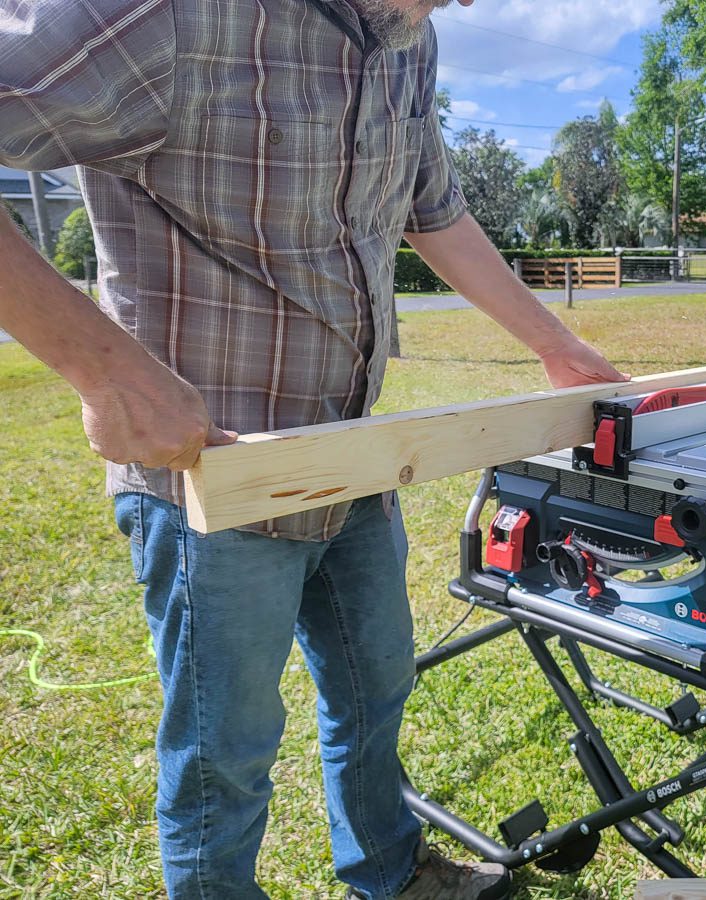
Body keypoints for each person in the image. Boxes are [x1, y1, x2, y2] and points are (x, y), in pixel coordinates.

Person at [0, 1, 626, 897]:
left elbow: (430, 205)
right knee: (226, 750)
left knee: (378, 691)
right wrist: (103, 371)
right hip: (212, 475)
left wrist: (555, 346)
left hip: (356, 461)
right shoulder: (170, 13)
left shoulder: (408, 33)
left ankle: (391, 870)